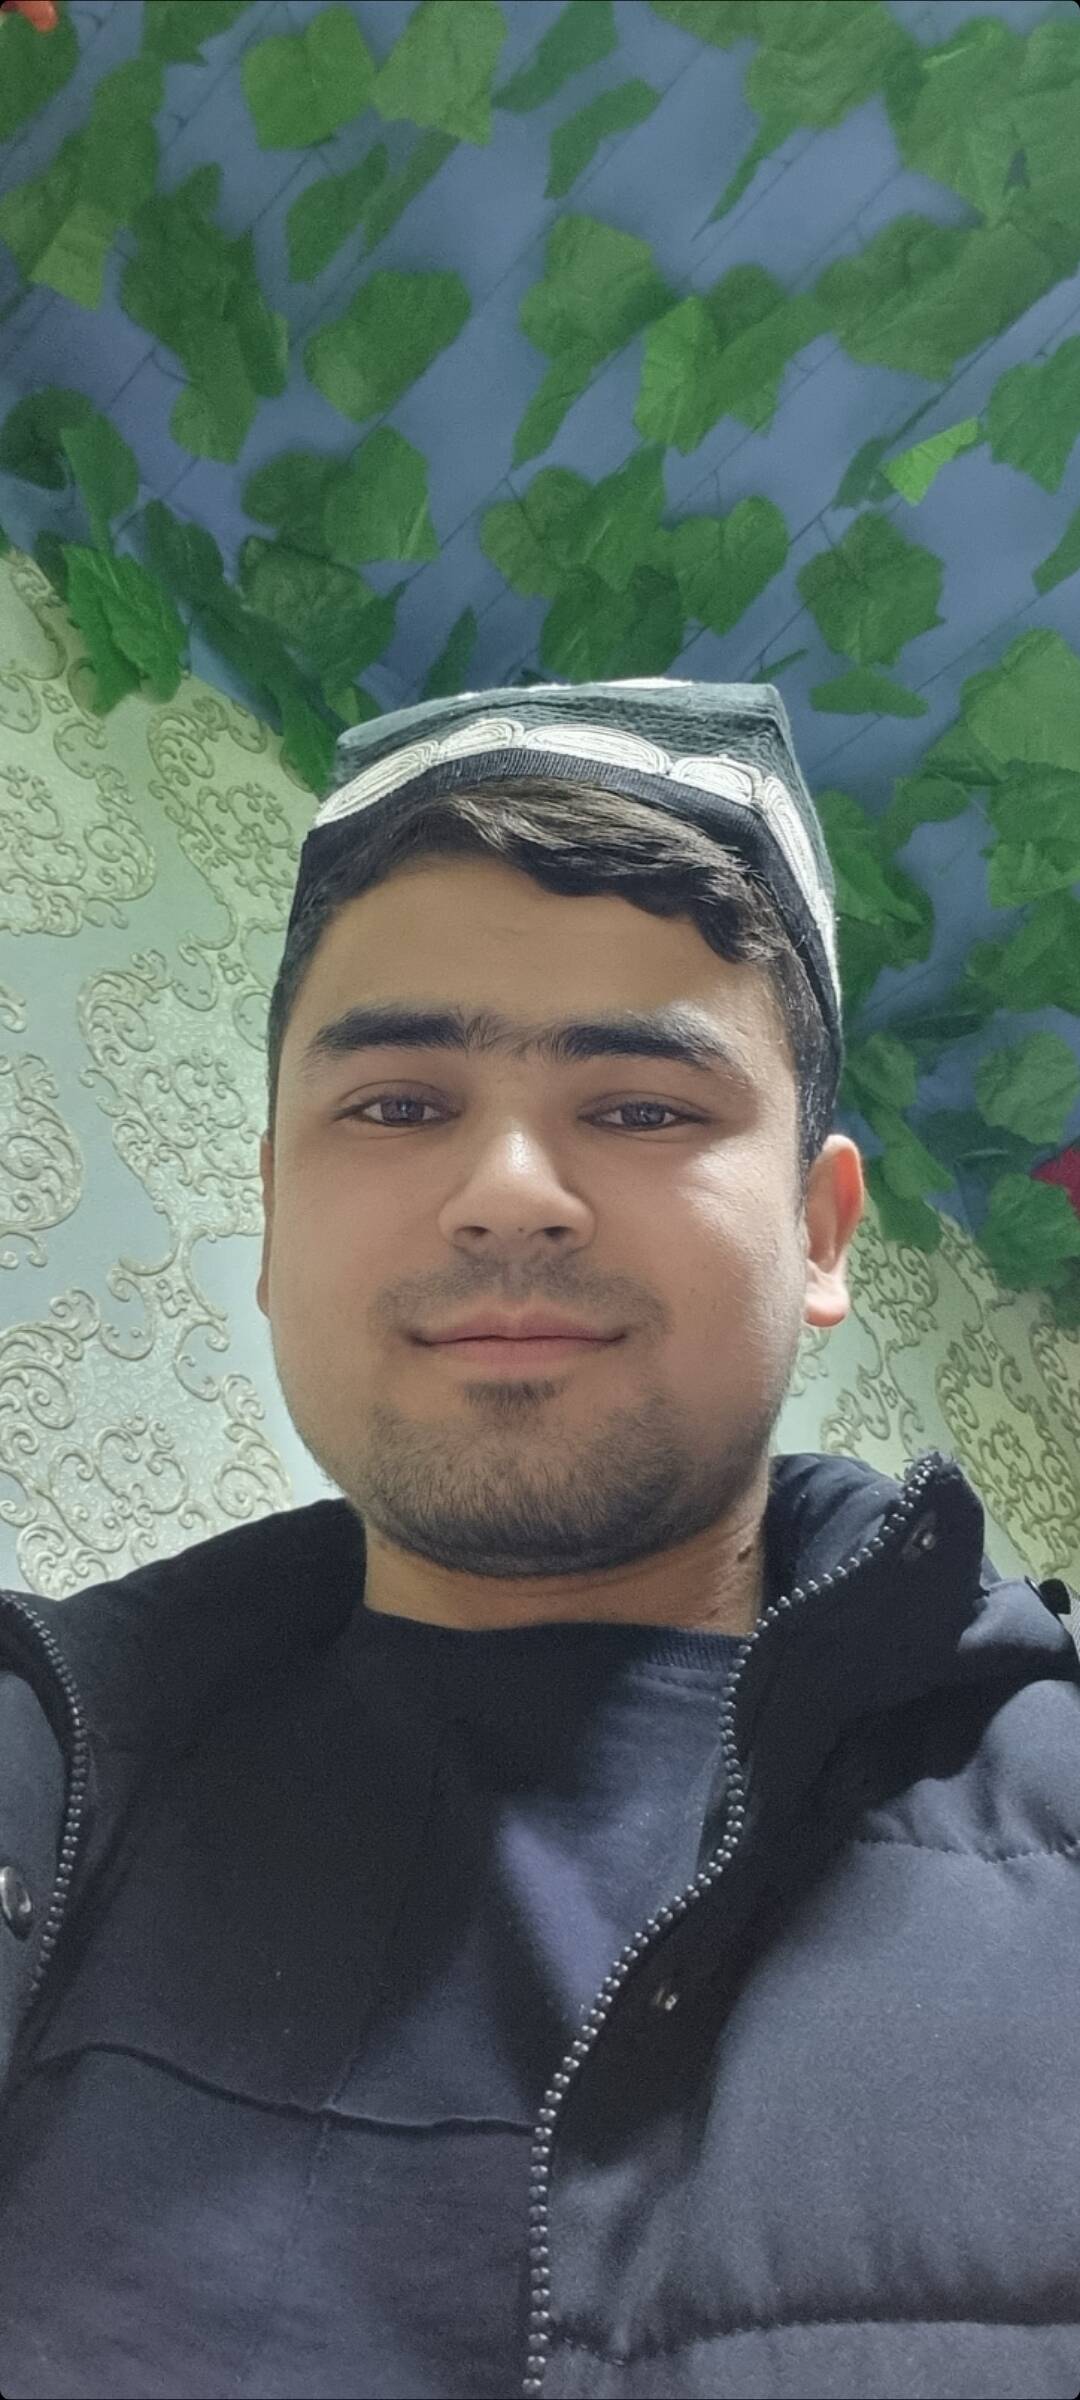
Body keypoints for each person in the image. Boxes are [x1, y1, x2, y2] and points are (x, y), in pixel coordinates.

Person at [0, 677, 1077, 2400]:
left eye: (643, 1106)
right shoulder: (43, 1762)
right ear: (271, 1216)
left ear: (820, 1233)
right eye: (397, 1105)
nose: (509, 1188)